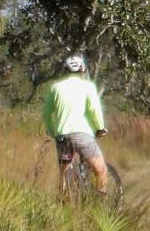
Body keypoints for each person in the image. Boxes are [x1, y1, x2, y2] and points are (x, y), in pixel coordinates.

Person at [42, 54, 109, 196]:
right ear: (83, 70)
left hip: (61, 136)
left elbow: (47, 114)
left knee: (64, 173)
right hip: (82, 134)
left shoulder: (55, 88)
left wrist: (53, 131)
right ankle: (100, 204)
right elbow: (94, 110)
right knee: (101, 170)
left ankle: (64, 206)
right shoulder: (88, 87)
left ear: (65, 71)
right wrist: (100, 128)